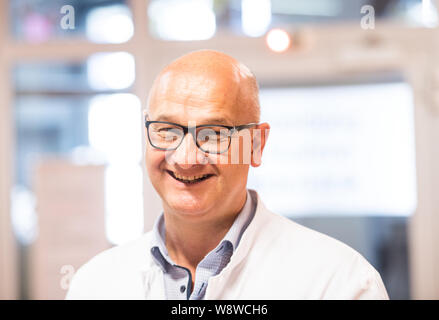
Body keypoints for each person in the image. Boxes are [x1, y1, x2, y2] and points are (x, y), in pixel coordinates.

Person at [66, 50, 389, 300]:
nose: (186, 158)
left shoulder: (340, 280)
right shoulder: (95, 283)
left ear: (256, 144)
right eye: (167, 130)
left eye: (214, 134)